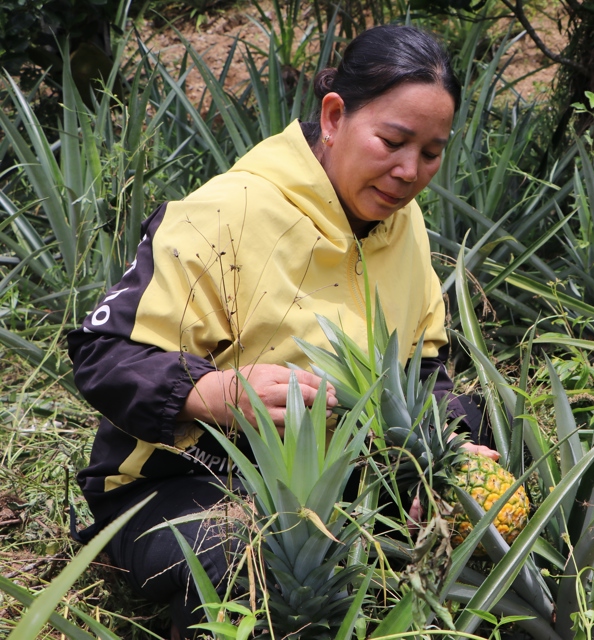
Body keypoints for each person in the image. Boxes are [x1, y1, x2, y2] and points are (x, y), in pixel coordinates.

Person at [68, 24, 494, 638]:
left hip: (341, 481)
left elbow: (425, 371)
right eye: (393, 141)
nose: (409, 172)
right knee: (252, 568)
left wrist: (448, 449)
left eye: (431, 152)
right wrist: (217, 393)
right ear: (333, 116)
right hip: (184, 484)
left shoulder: (407, 227)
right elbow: (104, 354)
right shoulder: (228, 212)